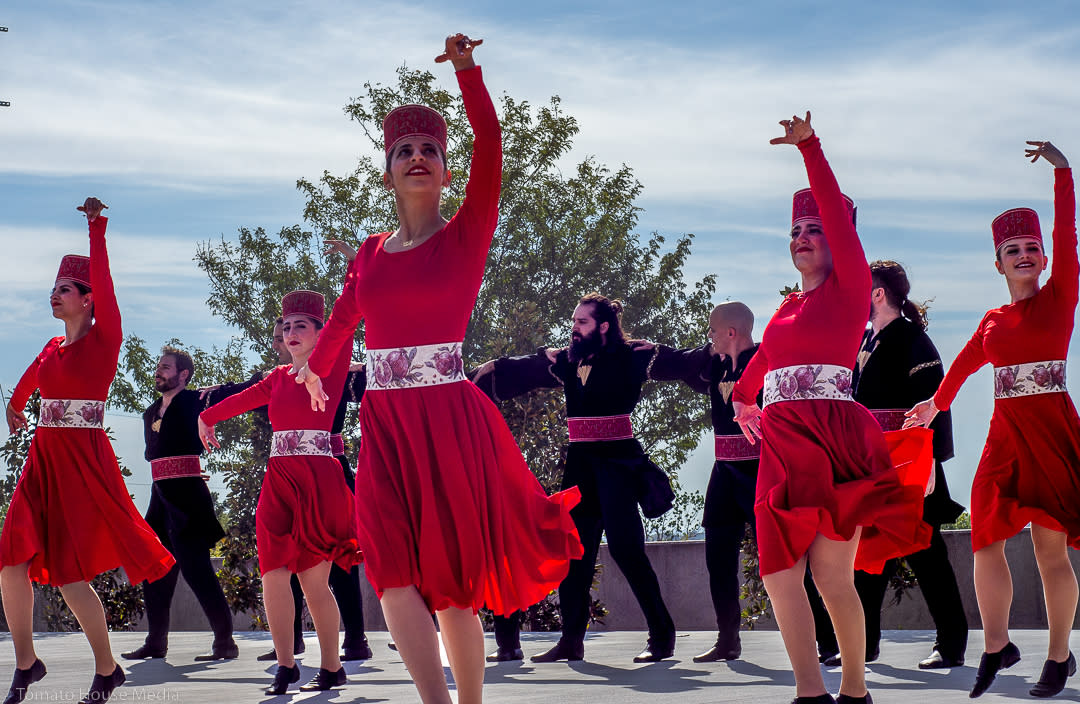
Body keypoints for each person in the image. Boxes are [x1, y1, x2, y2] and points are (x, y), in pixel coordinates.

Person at [293, 35, 582, 704]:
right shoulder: (368, 253)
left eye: (429, 151)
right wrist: (316, 372)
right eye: (404, 151)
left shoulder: (466, 232)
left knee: (450, 585)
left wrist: (467, 73)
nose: (417, 157)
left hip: (449, 419)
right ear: (389, 172)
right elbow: (341, 322)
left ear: (446, 173)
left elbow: (492, 142)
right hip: (387, 425)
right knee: (391, 576)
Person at [732, 114, 933, 704]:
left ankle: (853, 690)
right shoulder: (787, 308)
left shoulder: (848, 290)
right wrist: (745, 399)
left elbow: (839, 231)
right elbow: (764, 360)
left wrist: (810, 149)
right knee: (777, 574)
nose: (803, 237)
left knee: (830, 577)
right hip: (782, 447)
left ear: (840, 239)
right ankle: (809, 692)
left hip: (830, 439)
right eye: (796, 230)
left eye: (816, 229)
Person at [906, 140, 1080, 698]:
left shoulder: (1059, 298)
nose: (1025, 254)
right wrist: (935, 404)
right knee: (984, 538)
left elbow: (1067, 236)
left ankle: (1058, 656)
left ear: (1044, 258)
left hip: (1050, 432)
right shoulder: (992, 320)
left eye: (1033, 247)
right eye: (1013, 250)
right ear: (998, 262)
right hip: (1004, 437)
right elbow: (962, 365)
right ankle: (997, 645)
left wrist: (1062, 174)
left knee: (1050, 551)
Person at [1, 198, 176, 704]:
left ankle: (106, 669)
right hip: (43, 460)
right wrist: (15, 409)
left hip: (81, 462)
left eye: (64, 289)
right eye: (53, 287)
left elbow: (107, 281)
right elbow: (31, 379)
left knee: (70, 573)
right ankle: (27, 662)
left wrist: (96, 230)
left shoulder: (105, 340)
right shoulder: (50, 349)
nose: (53, 295)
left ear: (88, 298)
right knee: (10, 561)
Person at [474, 294, 678, 663]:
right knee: (574, 554)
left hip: (617, 464)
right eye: (573, 322)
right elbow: (516, 370)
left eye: (581, 323)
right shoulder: (567, 360)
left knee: (626, 550)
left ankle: (662, 635)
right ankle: (571, 641)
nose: (574, 329)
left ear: (603, 326)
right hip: (581, 467)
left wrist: (662, 351)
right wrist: (488, 370)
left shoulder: (632, 356)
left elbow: (685, 362)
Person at [200, 291, 361, 695]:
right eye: (286, 326)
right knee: (273, 574)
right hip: (278, 480)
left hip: (318, 480)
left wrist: (355, 269)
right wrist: (206, 416)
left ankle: (331, 666)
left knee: (313, 583)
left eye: (301, 326)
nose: (290, 332)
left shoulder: (333, 366)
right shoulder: (276, 377)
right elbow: (240, 399)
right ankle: (286, 665)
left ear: (320, 333)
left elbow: (348, 320)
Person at [808, 261, 968, 669]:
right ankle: (865, 643)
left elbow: (934, 403)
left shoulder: (914, 339)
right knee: (868, 554)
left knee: (927, 553)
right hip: (870, 463)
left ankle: (951, 644)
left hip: (912, 464)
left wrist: (930, 463)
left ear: (877, 293)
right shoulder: (865, 340)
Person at [651, 302, 764, 663]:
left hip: (761, 471)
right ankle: (728, 640)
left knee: (785, 561)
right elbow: (676, 363)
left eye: (712, 331)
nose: (708, 337)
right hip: (724, 472)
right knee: (718, 559)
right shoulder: (712, 364)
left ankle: (825, 644)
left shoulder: (767, 362)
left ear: (731, 332)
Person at [121, 347, 239, 662]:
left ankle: (225, 643)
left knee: (197, 569)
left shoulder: (194, 401)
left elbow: (235, 393)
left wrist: (268, 378)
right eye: (159, 366)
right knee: (155, 568)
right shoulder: (150, 411)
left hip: (188, 496)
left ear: (183, 375)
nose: (159, 371)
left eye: (166, 367)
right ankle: (156, 643)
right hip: (159, 497)